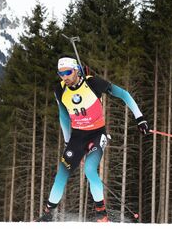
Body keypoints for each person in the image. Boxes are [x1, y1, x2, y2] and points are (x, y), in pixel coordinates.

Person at [36, 56, 149, 222]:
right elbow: (63, 116)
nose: (64, 77)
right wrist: (68, 141)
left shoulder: (93, 83)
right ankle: (46, 215)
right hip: (77, 136)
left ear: (76, 70)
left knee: (89, 169)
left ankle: (101, 214)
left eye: (67, 72)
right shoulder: (59, 89)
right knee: (61, 174)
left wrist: (140, 118)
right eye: (61, 74)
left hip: (97, 134)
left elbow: (123, 94)